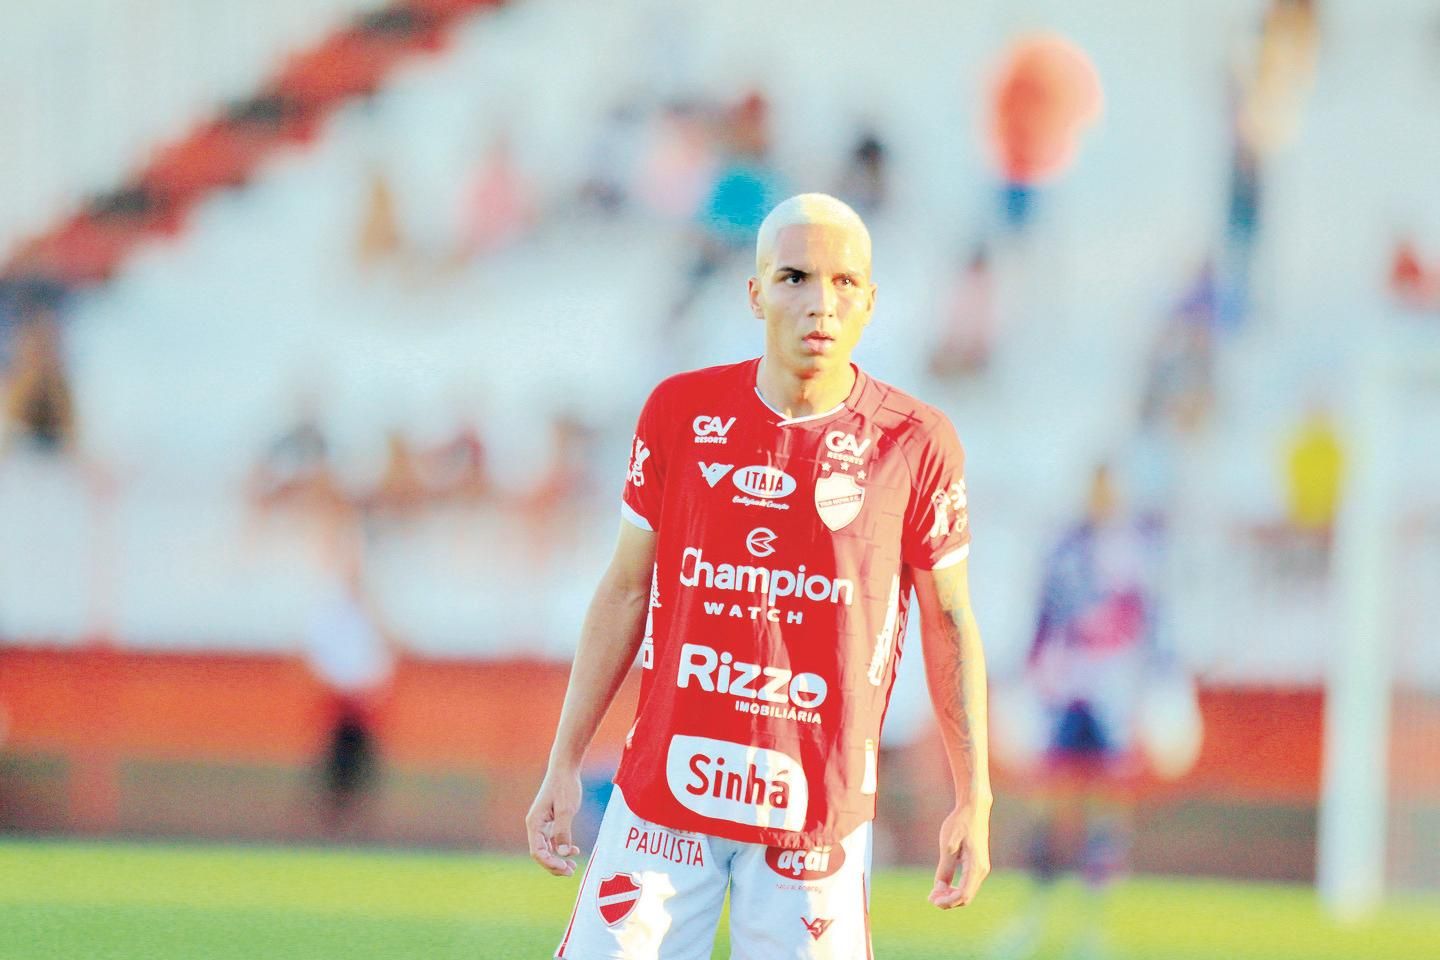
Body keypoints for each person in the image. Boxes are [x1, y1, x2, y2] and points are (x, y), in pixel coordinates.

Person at [526, 193, 992, 959]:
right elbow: (623, 590)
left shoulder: (916, 443)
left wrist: (972, 797)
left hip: (816, 825)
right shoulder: (680, 412)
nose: (821, 304)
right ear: (755, 294)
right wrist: (564, 760)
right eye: (796, 278)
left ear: (871, 302)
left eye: (845, 283)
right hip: (664, 806)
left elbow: (949, 623)